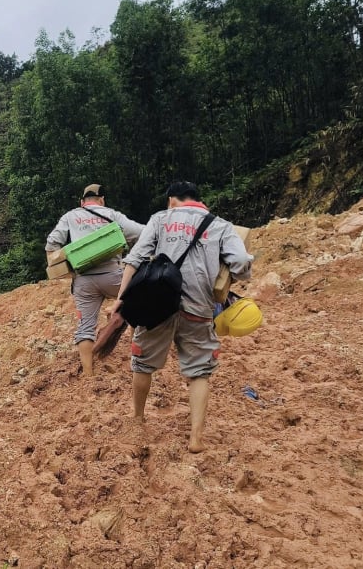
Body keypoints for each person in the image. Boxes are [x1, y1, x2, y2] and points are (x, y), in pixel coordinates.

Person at [110, 181, 253, 453]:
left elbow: (135, 258)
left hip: (157, 305)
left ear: (172, 200)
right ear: (198, 200)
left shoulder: (161, 219)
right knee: (199, 372)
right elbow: (241, 264)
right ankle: (196, 438)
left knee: (142, 364)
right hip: (199, 308)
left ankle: (138, 419)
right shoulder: (221, 225)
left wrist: (120, 299)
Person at [46, 184, 145, 378]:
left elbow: (52, 244)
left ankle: (89, 377)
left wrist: (64, 265)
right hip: (114, 277)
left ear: (82, 202)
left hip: (84, 280)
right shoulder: (112, 215)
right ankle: (138, 365)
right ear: (102, 199)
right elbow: (142, 233)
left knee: (85, 327)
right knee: (137, 310)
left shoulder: (70, 216)